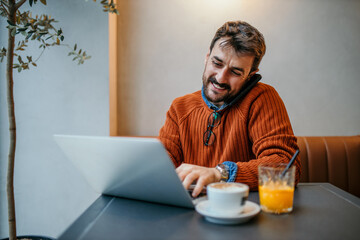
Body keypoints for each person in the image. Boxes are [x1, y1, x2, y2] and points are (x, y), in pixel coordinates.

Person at [158, 21, 301, 197]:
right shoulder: (179, 108)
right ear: (207, 57)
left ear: (251, 75)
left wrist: (220, 173)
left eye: (235, 72)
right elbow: (161, 167)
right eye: (217, 63)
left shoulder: (262, 98)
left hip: (244, 213)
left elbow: (284, 165)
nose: (221, 78)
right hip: (190, 212)